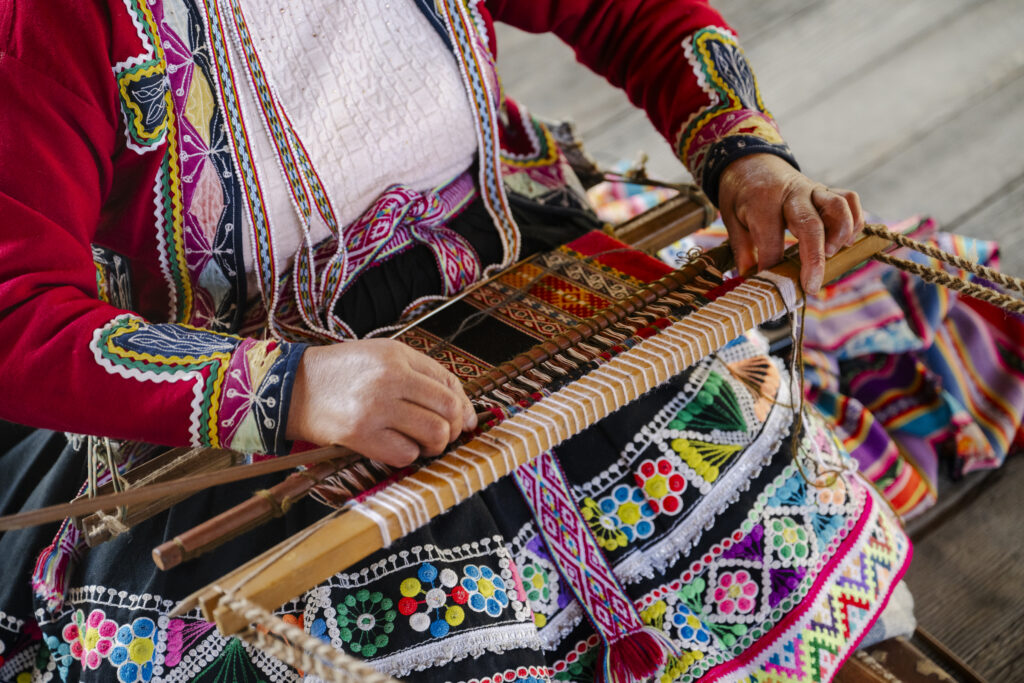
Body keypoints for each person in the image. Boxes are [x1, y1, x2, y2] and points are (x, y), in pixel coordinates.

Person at [0, 1, 909, 681]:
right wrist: (292, 388)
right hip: (257, 390)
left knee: (727, 459)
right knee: (336, 639)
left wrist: (745, 153)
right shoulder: (60, 18)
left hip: (506, 279)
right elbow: (16, 307)